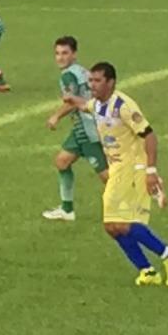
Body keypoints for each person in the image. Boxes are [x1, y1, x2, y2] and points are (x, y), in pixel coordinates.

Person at [64, 62, 168, 287]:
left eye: (97, 81)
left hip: (132, 169)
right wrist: (73, 100)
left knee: (119, 223)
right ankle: (147, 271)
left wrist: (151, 171)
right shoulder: (97, 104)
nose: (92, 85)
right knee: (111, 227)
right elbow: (86, 105)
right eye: (91, 81)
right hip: (117, 169)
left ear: (111, 83)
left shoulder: (123, 106)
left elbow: (150, 136)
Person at [42, 36, 108, 221]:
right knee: (62, 161)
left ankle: (135, 200)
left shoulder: (68, 76)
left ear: (74, 54)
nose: (60, 57)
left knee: (107, 176)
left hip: (88, 130)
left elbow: (71, 102)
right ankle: (67, 210)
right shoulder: (81, 71)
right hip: (81, 128)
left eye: (65, 53)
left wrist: (56, 116)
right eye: (57, 53)